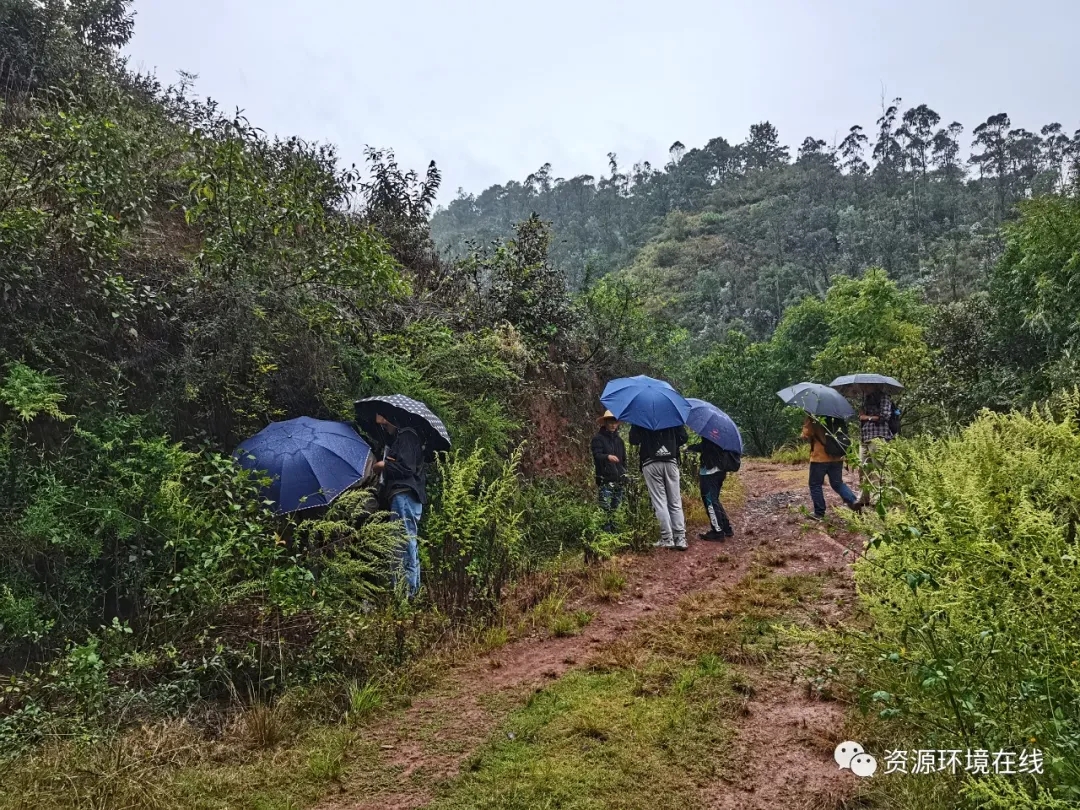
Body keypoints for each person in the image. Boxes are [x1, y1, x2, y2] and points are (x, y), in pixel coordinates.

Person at [371, 412, 427, 598]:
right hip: (403, 496)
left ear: (392, 418)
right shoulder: (400, 438)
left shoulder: (407, 436)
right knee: (404, 541)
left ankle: (407, 594)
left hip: (404, 495)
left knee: (402, 542)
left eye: (385, 424)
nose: (384, 427)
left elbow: (406, 468)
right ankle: (409, 591)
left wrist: (383, 466)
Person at [628, 422, 688, 550]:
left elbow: (633, 440)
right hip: (671, 461)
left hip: (650, 462)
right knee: (675, 502)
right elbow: (683, 437)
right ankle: (680, 538)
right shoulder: (672, 415)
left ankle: (667, 539)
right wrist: (670, 443)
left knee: (660, 502)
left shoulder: (641, 417)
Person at [801, 415, 859, 520]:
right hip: (837, 456)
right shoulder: (837, 415)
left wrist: (804, 431)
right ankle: (853, 501)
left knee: (815, 484)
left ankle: (819, 513)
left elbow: (807, 433)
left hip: (820, 457)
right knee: (837, 483)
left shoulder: (813, 416)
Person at [686, 437, 737, 540]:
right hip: (720, 470)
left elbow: (708, 447)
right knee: (714, 500)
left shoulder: (711, 434)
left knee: (710, 500)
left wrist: (691, 448)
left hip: (710, 471)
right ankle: (726, 528)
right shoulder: (723, 435)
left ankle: (717, 531)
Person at [591, 410, 627, 533]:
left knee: (616, 508)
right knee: (605, 508)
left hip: (619, 479)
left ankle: (615, 534)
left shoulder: (619, 441)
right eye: (610, 422)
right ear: (605, 423)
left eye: (615, 422)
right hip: (605, 479)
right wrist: (608, 457)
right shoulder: (598, 439)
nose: (613, 425)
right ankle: (606, 535)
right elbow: (596, 455)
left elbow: (623, 460)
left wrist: (624, 474)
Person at [856, 390, 894, 506]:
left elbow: (885, 416)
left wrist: (867, 417)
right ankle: (864, 498)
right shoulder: (865, 398)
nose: (864, 388)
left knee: (879, 469)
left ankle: (880, 498)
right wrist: (861, 414)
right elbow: (862, 418)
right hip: (865, 437)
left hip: (878, 436)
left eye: (866, 386)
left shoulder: (884, 397)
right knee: (863, 468)